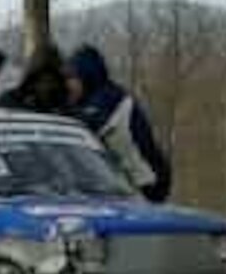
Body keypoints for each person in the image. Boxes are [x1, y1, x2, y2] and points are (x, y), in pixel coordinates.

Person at [65, 45, 172, 203]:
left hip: (146, 180)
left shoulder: (108, 99)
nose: (68, 85)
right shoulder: (95, 99)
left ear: (86, 76)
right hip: (132, 181)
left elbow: (85, 124)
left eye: (72, 78)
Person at [0, 41, 69, 114]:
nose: (46, 87)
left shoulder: (65, 104)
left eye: (51, 81)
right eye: (40, 80)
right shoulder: (12, 101)